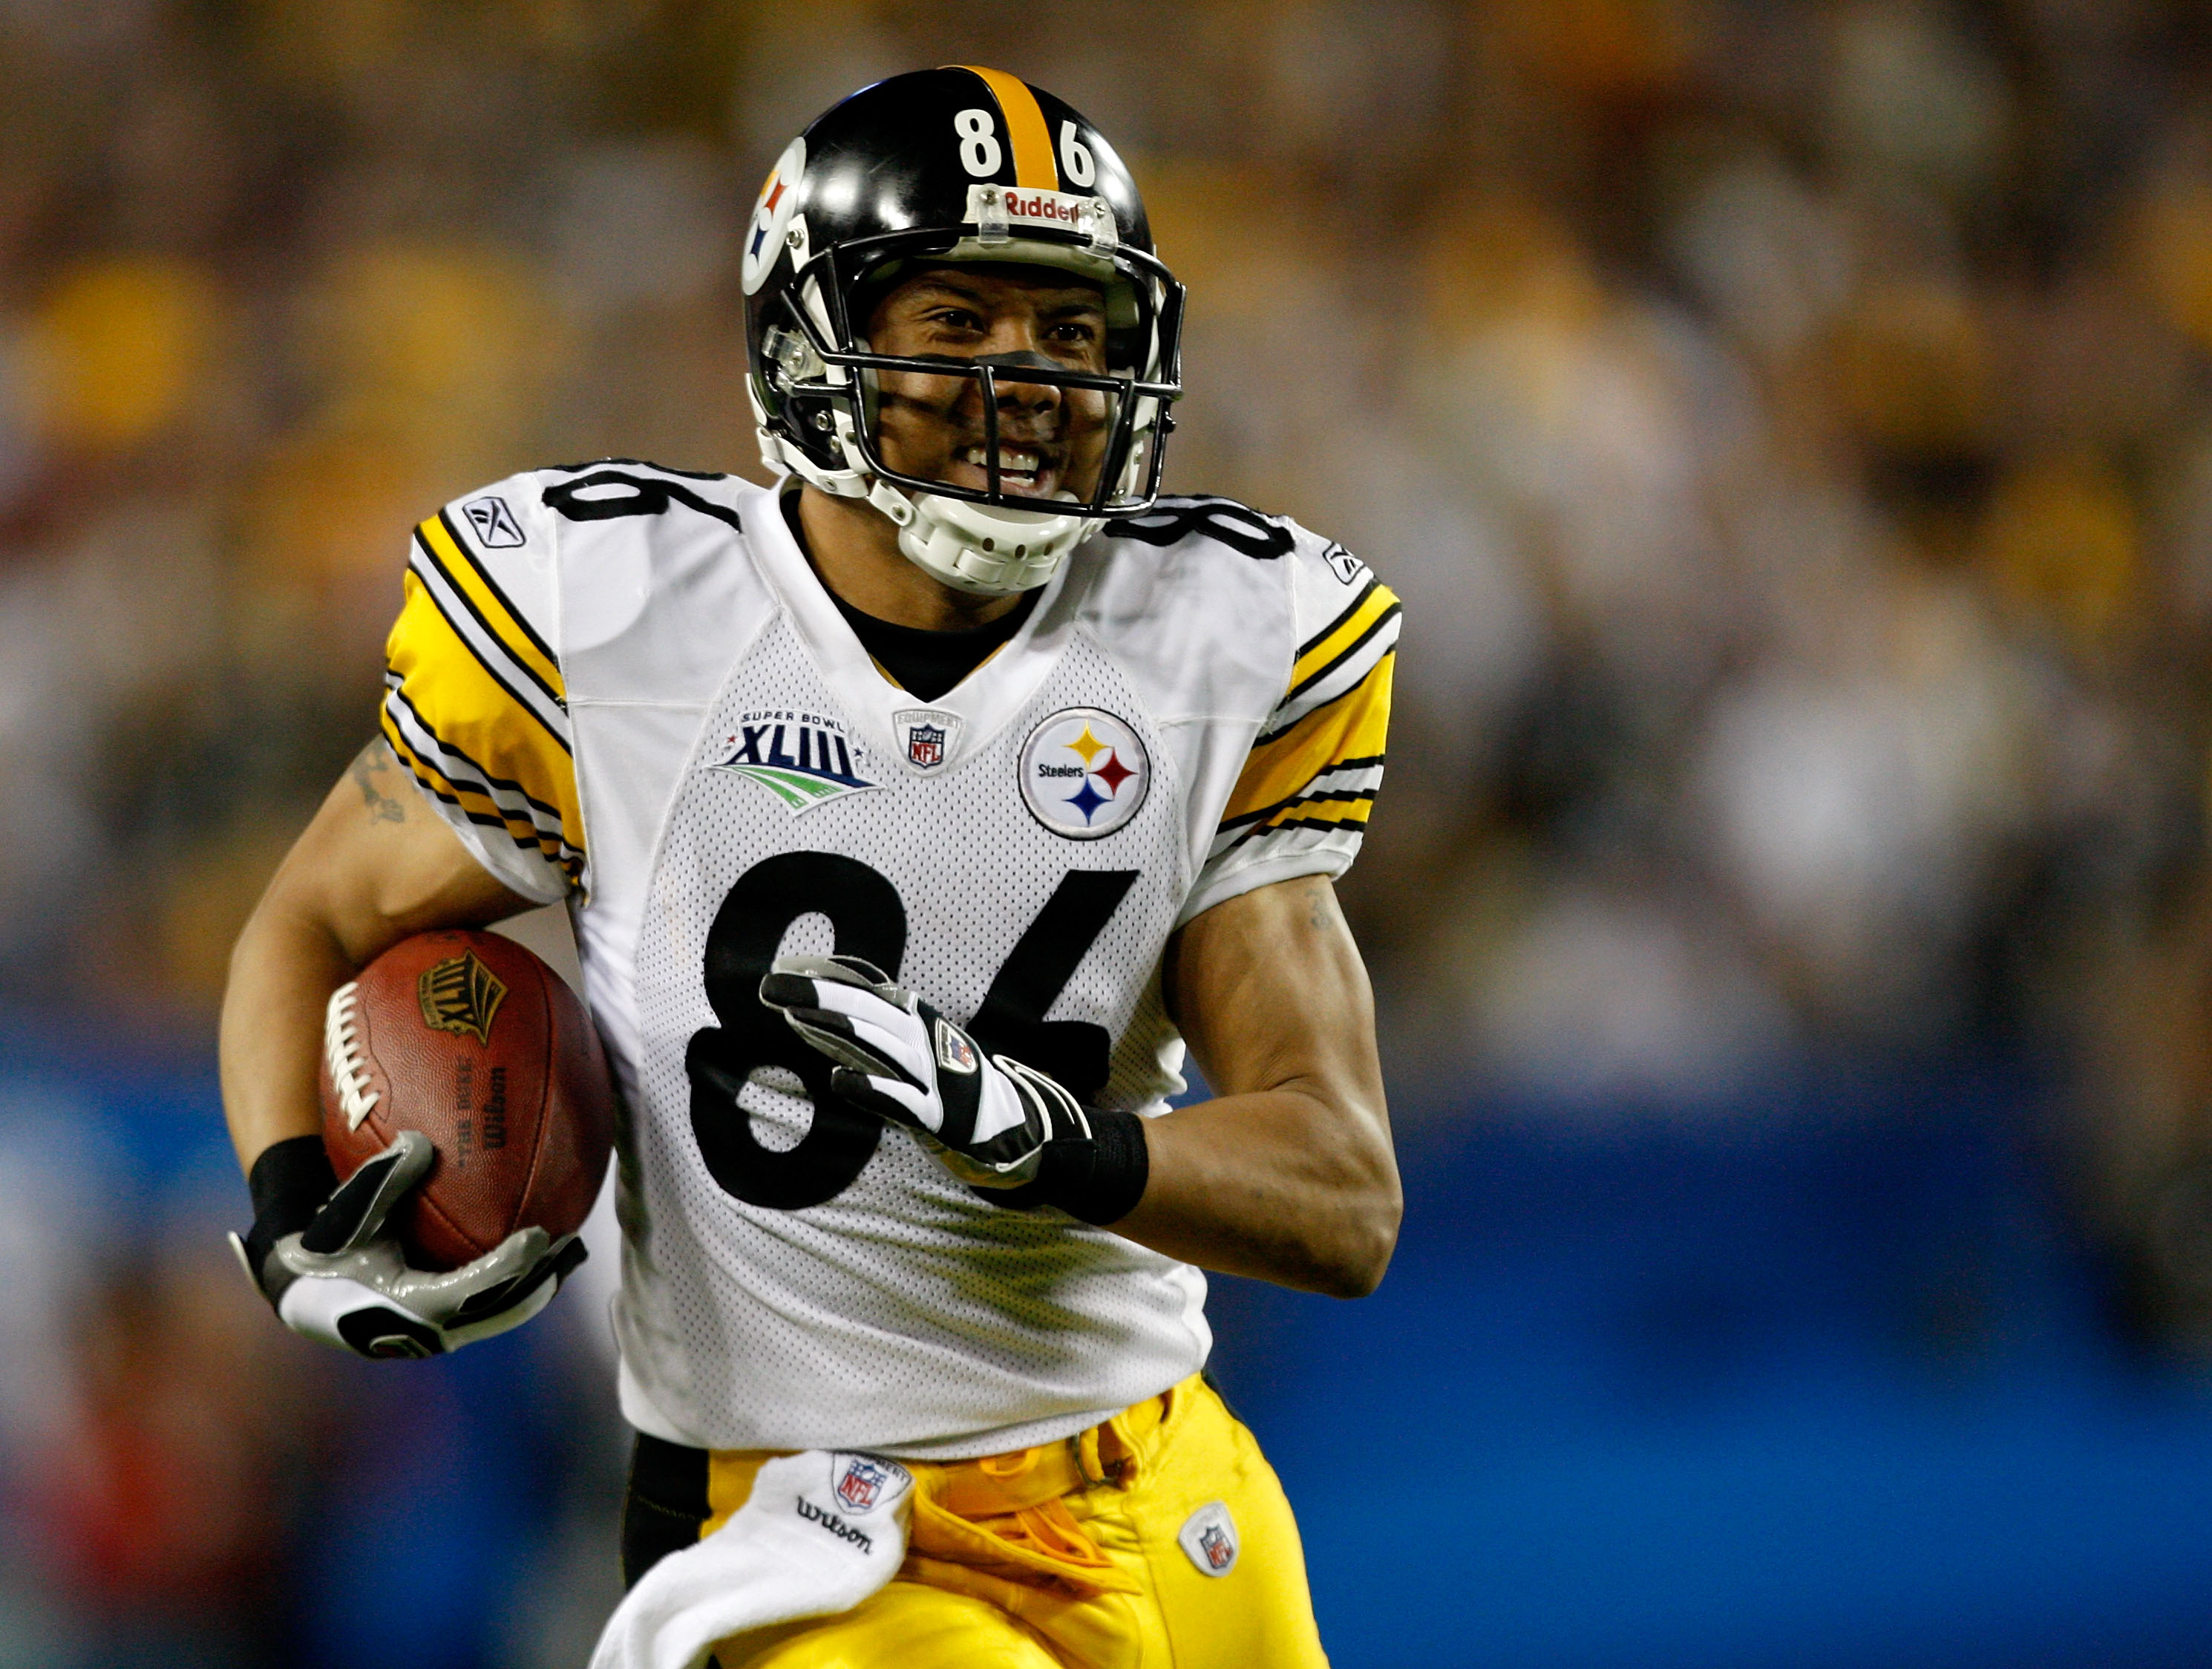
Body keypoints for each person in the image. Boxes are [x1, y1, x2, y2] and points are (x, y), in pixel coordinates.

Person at [220, 67, 1401, 1668]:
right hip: (815, 1520)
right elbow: (311, 920)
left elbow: (1341, 1194)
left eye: (1069, 334)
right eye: (958, 323)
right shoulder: (615, 615)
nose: (1027, 380)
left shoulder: (1215, 639)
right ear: (808, 342)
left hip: (1166, 1468)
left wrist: (1061, 1145)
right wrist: (296, 1210)